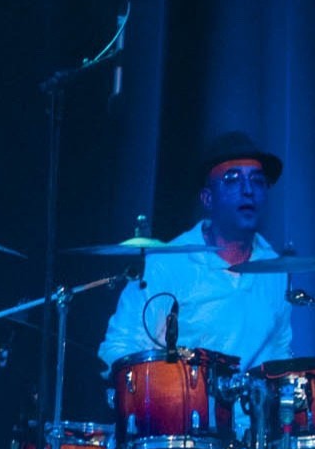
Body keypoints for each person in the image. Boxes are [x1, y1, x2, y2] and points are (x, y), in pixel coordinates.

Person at [95, 132, 296, 369]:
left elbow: (279, 352)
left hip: (250, 395)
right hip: (177, 392)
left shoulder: (276, 268)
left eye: (257, 180)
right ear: (207, 198)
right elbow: (118, 348)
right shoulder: (167, 264)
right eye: (232, 179)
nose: (248, 190)